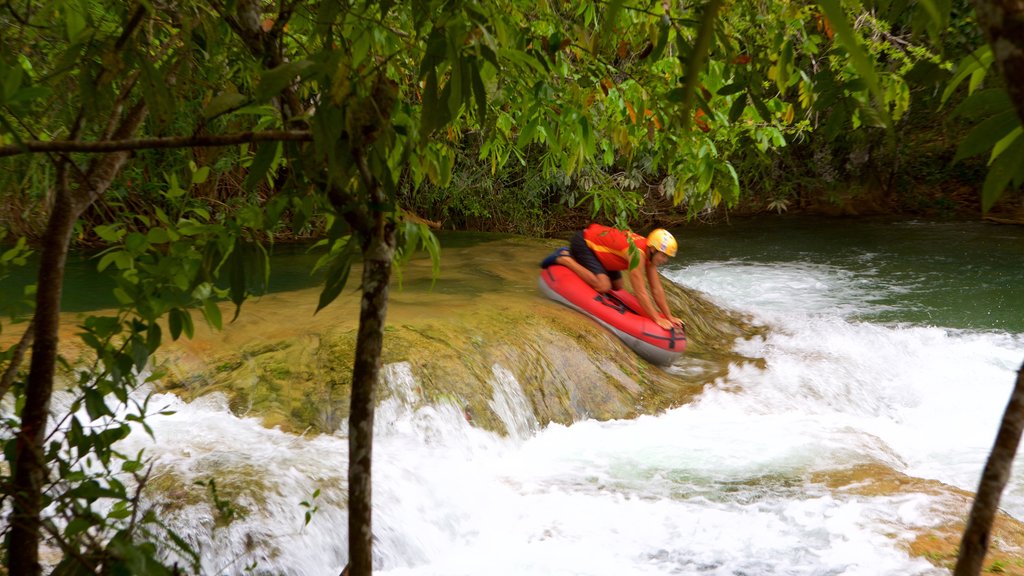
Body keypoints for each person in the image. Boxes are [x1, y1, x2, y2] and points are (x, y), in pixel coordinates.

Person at [541, 223, 684, 330]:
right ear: (653, 249)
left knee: (618, 286)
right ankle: (565, 258)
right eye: (664, 255)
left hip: (603, 255)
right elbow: (640, 292)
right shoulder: (637, 255)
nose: (665, 260)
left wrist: (668, 316)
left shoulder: (649, 254)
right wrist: (656, 319)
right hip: (584, 243)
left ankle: (583, 264)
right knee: (603, 286)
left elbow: (656, 289)